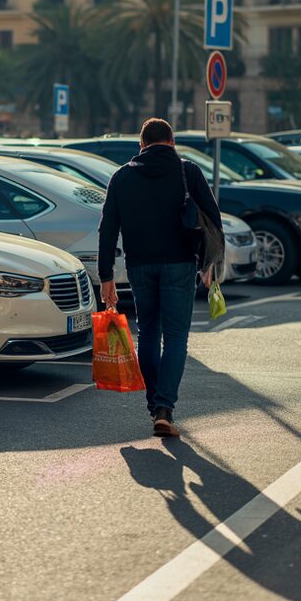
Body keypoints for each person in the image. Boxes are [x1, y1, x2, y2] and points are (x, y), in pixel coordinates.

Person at [98, 118, 222, 438]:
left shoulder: (122, 176)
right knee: (177, 336)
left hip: (140, 267)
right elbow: (212, 217)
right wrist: (211, 265)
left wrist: (106, 277)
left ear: (141, 144)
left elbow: (108, 229)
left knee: (149, 333)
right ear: (172, 142)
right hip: (180, 264)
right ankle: (165, 408)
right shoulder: (187, 172)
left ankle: (155, 406)